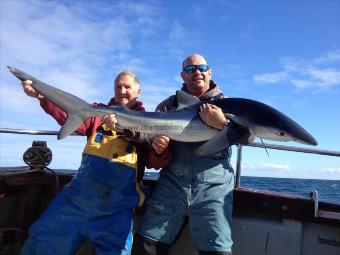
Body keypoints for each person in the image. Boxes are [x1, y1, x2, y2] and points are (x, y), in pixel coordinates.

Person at [20, 71, 150, 255]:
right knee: (41, 243)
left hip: (116, 210)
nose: (122, 90)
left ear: (138, 91)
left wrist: (135, 135)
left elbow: (156, 160)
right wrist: (44, 98)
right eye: (118, 86)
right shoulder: (96, 113)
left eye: (127, 86)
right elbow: (69, 116)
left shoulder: (151, 122)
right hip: (76, 200)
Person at [133, 54, 250, 255]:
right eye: (190, 69)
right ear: (183, 76)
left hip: (214, 190)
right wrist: (159, 149)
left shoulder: (228, 104)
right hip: (171, 188)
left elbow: (248, 137)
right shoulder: (167, 106)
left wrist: (222, 124)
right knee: (146, 247)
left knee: (217, 251)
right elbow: (153, 158)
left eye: (202, 67)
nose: (197, 72)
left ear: (210, 72)